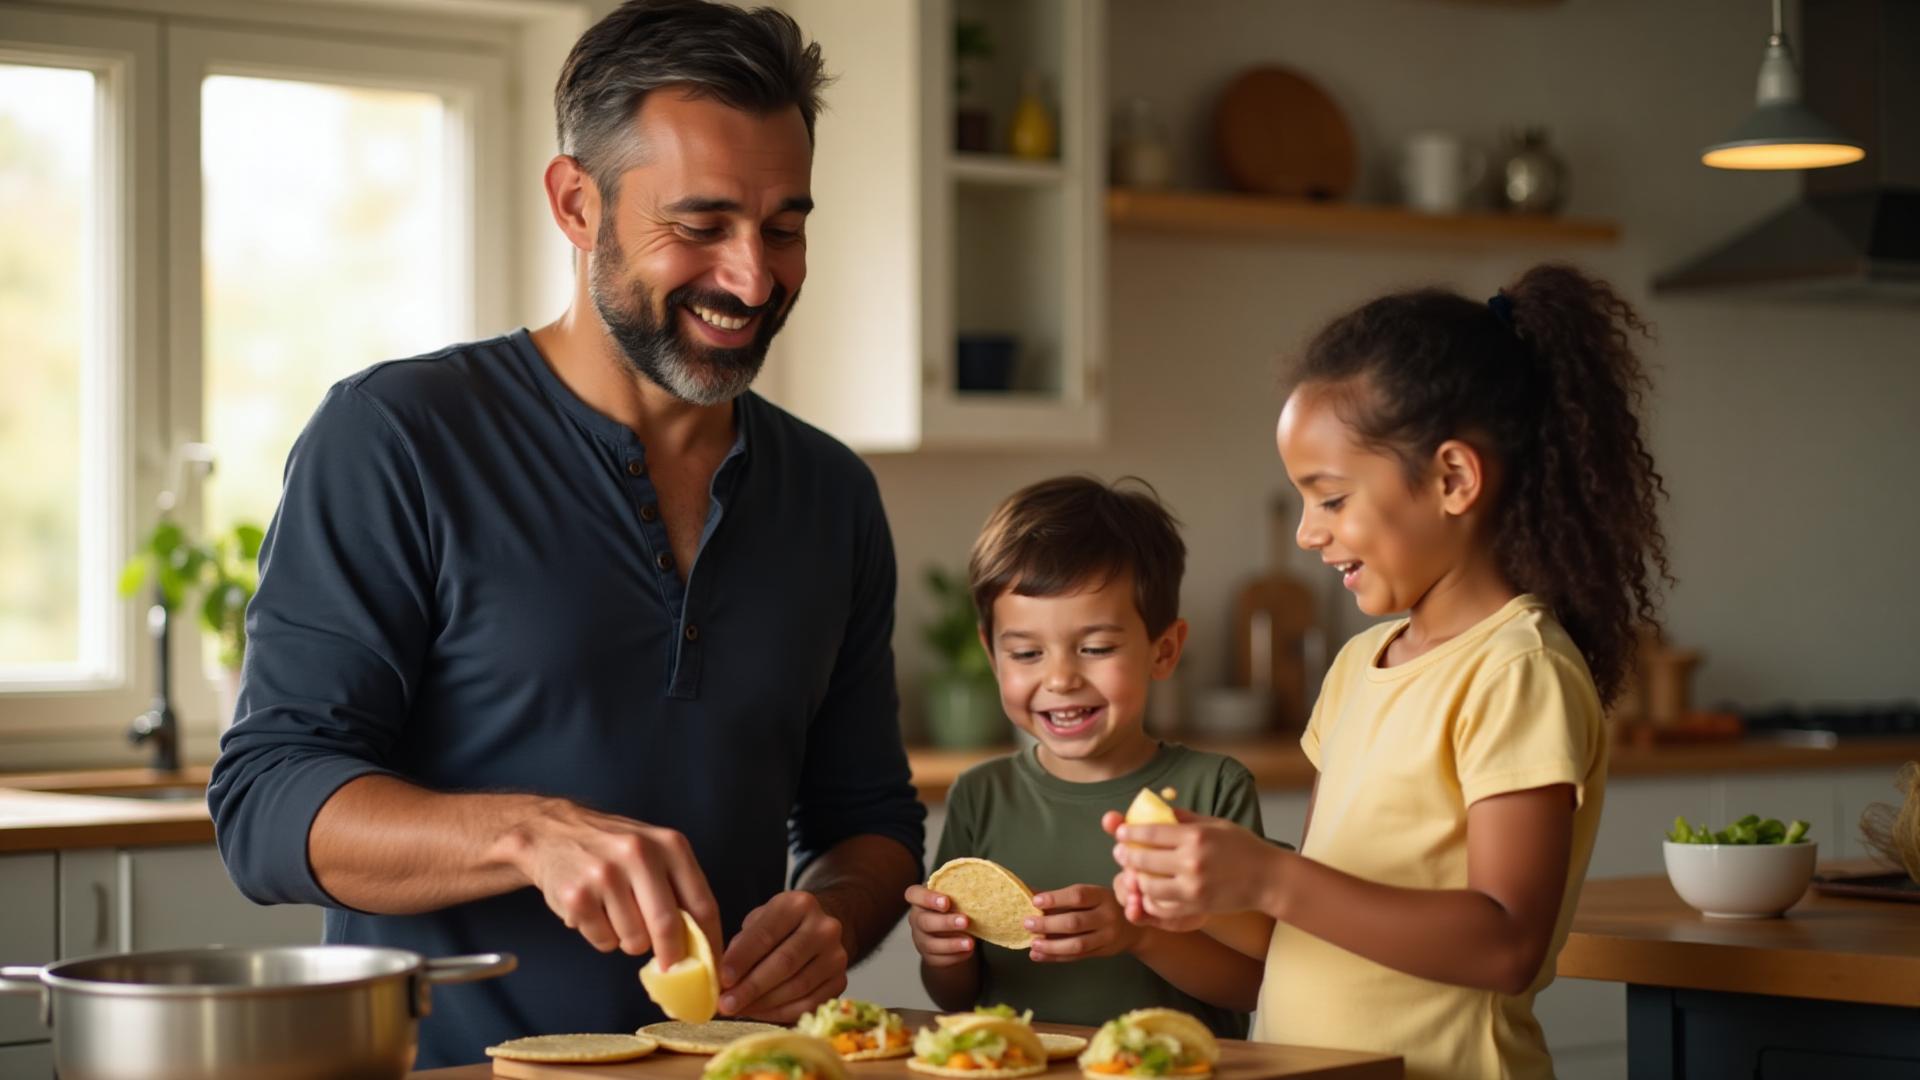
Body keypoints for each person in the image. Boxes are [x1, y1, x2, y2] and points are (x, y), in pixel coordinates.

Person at [206, 1, 924, 1066]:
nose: (754, 276)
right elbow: (265, 805)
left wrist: (833, 916)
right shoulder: (396, 438)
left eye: (784, 227)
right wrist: (526, 835)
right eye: (701, 224)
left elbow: (868, 821)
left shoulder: (830, 493)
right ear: (576, 204)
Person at [1109, 265, 1671, 1079]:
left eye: (1331, 499)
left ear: (1452, 479)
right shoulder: (1355, 670)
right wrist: (1196, 893)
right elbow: (1302, 931)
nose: (1308, 533)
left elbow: (1508, 942)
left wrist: (1270, 875)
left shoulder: (1519, 670)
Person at [906, 476, 1270, 1037]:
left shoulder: (1212, 789)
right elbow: (959, 997)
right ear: (992, 654)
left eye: (1096, 648)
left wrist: (1141, 935)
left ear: (1164, 649)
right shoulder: (981, 795)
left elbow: (1255, 984)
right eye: (1026, 652)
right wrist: (942, 953)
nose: (1060, 678)